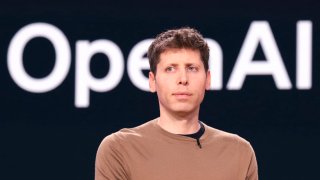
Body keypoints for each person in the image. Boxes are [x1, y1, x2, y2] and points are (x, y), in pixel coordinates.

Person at [95, 27, 258, 180]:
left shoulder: (239, 153)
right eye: (170, 69)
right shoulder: (120, 149)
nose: (183, 79)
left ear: (208, 79)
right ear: (152, 81)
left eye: (192, 68)